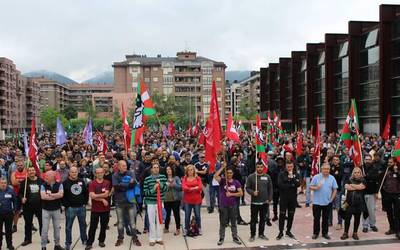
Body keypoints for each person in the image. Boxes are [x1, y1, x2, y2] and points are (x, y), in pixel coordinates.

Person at [112, 160, 141, 246]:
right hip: (119, 202)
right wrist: (127, 184)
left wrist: (122, 184)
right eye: (123, 166)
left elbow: (133, 184)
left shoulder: (131, 173)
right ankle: (120, 238)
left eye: (125, 165)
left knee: (132, 222)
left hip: (131, 201)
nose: (125, 167)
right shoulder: (115, 175)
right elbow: (116, 187)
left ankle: (135, 238)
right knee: (120, 222)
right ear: (119, 167)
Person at [213, 163, 242, 246]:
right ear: (225, 174)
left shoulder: (236, 182)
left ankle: (235, 237)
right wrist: (222, 167)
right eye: (227, 173)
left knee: (233, 222)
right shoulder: (222, 181)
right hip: (223, 205)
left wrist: (232, 194)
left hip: (233, 205)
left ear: (232, 174)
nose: (229, 174)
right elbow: (215, 176)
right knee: (223, 223)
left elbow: (241, 193)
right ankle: (221, 238)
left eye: (230, 173)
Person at [245, 162, 273, 242]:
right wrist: (253, 192)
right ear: (256, 168)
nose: (260, 168)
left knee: (262, 219)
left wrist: (269, 198)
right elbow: (247, 188)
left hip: (264, 202)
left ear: (263, 168)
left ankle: (261, 234)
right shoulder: (251, 177)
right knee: (253, 220)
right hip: (255, 203)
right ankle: (252, 235)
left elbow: (270, 188)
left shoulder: (267, 177)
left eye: (261, 167)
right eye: (258, 167)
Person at [63, 166, 89, 250]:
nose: (74, 173)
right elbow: (62, 196)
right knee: (68, 227)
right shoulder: (65, 183)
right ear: (69, 173)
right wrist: (67, 205)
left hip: (81, 207)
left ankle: (84, 239)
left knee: (83, 225)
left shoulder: (81, 181)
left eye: (75, 172)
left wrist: (85, 203)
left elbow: (86, 192)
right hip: (70, 209)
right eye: (72, 172)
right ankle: (68, 243)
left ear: (77, 173)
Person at [310, 163, 338, 240]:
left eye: (328, 169)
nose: (326, 170)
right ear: (321, 169)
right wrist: (316, 187)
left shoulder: (332, 178)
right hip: (317, 202)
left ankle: (325, 233)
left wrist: (331, 199)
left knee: (326, 219)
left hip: (327, 202)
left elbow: (335, 189)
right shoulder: (316, 177)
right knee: (316, 218)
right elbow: (310, 186)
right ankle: (315, 233)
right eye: (324, 169)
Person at [86, 167, 111, 250]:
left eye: (101, 172)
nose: (100, 174)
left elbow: (106, 194)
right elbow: (91, 195)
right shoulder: (92, 183)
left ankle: (101, 241)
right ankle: (89, 243)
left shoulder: (107, 182)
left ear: (103, 173)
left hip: (105, 209)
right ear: (95, 174)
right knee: (92, 227)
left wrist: (96, 196)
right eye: (98, 173)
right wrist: (102, 199)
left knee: (103, 226)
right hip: (95, 209)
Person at [143, 163, 167, 246]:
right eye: (154, 167)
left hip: (160, 202)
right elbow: (145, 193)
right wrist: (153, 189)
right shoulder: (147, 179)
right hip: (150, 203)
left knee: (160, 220)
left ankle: (159, 238)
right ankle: (152, 239)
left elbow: (165, 189)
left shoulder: (163, 177)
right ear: (151, 169)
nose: (156, 169)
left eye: (157, 167)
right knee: (151, 221)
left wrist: (161, 184)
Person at [40, 170, 65, 250]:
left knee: (57, 228)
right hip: (46, 210)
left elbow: (61, 195)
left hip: (56, 210)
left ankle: (57, 245)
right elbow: (43, 197)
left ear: (53, 177)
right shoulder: (43, 185)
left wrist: (50, 195)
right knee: (44, 229)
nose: (45, 177)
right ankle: (43, 246)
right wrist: (55, 196)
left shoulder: (59, 184)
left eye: (47, 176)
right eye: (45, 176)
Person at [20, 166, 43, 246]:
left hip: (39, 206)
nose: (32, 171)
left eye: (33, 170)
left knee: (42, 223)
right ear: (27, 172)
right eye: (30, 170)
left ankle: (43, 238)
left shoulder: (40, 181)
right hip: (28, 206)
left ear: (35, 171)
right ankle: (27, 239)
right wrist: (22, 198)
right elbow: (20, 193)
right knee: (28, 224)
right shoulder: (24, 182)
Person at [340, 167, 366, 240]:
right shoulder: (349, 179)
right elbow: (346, 187)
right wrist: (357, 187)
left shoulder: (363, 180)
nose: (357, 174)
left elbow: (362, 187)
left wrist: (352, 185)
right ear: (353, 173)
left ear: (360, 173)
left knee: (357, 219)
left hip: (359, 203)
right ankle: (345, 233)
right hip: (349, 203)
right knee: (347, 218)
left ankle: (355, 233)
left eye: (358, 172)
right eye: (355, 172)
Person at [276, 161, 300, 240]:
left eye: (291, 166)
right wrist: (291, 184)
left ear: (293, 166)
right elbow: (280, 185)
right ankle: (280, 232)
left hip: (293, 199)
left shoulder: (296, 174)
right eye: (288, 166)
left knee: (291, 215)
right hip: (283, 198)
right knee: (282, 215)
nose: (290, 168)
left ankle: (288, 231)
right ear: (286, 167)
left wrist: (291, 179)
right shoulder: (281, 174)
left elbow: (298, 184)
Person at [381, 157, 400, 239]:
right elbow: (381, 182)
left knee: (397, 214)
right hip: (387, 195)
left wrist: (396, 172)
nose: (389, 164)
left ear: (395, 163)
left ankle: (398, 230)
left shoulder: (398, 171)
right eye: (388, 162)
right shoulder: (386, 171)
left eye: (391, 162)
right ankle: (391, 228)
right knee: (389, 213)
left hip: (397, 195)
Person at [182, 164, 203, 236]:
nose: (190, 171)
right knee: (187, 216)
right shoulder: (184, 178)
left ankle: (199, 228)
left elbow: (200, 187)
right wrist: (194, 188)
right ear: (187, 171)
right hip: (187, 200)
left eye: (192, 170)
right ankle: (186, 229)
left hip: (197, 200)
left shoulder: (198, 178)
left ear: (194, 170)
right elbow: (184, 188)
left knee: (197, 215)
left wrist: (190, 188)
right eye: (189, 170)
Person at [362, 154, 379, 233]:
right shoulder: (361, 168)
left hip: (371, 192)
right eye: (366, 159)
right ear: (364, 160)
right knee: (364, 210)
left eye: (369, 159)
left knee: (371, 210)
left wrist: (376, 192)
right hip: (362, 192)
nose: (367, 161)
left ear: (371, 160)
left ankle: (372, 224)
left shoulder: (374, 168)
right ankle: (365, 225)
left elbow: (375, 179)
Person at [163, 165, 182, 235]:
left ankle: (178, 228)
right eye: (167, 169)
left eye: (169, 169)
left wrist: (173, 184)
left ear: (172, 170)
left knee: (176, 214)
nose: (168, 171)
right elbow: (162, 189)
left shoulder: (176, 178)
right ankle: (166, 227)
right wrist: (167, 185)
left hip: (175, 199)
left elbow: (180, 187)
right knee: (167, 214)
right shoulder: (164, 178)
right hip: (166, 199)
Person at [10, 158, 27, 233]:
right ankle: (15, 226)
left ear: (23, 165)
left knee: (28, 211)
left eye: (21, 165)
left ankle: (31, 224)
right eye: (18, 165)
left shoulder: (27, 172)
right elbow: (14, 183)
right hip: (16, 194)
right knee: (16, 211)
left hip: (26, 194)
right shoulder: (14, 173)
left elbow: (28, 181)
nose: (20, 166)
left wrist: (19, 182)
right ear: (16, 166)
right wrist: (23, 182)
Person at [0, 177, 16, 250]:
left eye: (5, 183)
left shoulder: (11, 190)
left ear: (7, 184)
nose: (3, 184)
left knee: (8, 230)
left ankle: (9, 244)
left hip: (9, 214)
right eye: (2, 183)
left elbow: (15, 201)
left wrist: (14, 210)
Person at [329, 155, 343, 229]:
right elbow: (329, 176)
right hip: (329, 190)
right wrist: (335, 174)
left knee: (338, 207)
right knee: (329, 206)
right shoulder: (330, 167)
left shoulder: (341, 167)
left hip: (337, 190)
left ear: (339, 161)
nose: (335, 161)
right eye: (334, 160)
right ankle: (329, 221)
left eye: (337, 160)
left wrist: (334, 175)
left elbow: (339, 176)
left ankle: (340, 222)